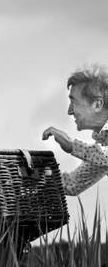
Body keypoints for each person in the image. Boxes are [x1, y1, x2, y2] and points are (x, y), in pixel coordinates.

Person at [42, 64, 108, 196]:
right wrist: (28, 172)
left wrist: (72, 145)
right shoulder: (101, 146)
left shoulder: (101, 154)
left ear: (97, 105)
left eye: (74, 102)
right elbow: (71, 184)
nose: (69, 111)